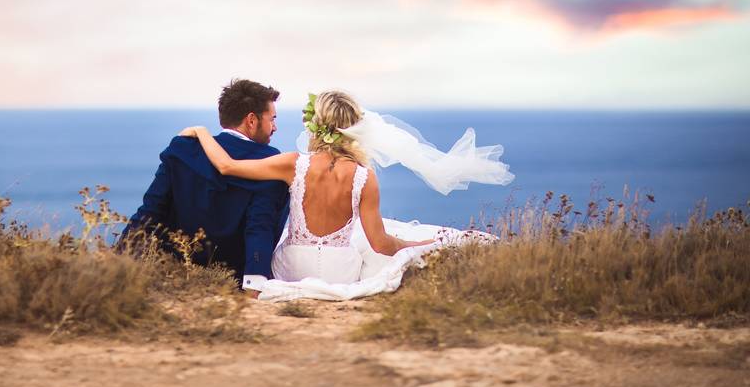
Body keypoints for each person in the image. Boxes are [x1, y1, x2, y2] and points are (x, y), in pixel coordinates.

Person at [179, 90, 515, 301]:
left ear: (317, 125)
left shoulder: (293, 164)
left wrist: (202, 132)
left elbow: (225, 166)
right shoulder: (363, 177)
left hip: (291, 267)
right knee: (374, 240)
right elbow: (382, 244)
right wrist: (421, 247)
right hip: (340, 270)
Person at [119, 79, 289, 287]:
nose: (275, 127)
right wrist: (255, 284)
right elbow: (259, 227)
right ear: (251, 120)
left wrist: (117, 260)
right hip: (231, 280)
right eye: (272, 119)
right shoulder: (269, 161)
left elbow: (149, 213)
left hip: (173, 274)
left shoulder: (182, 149)